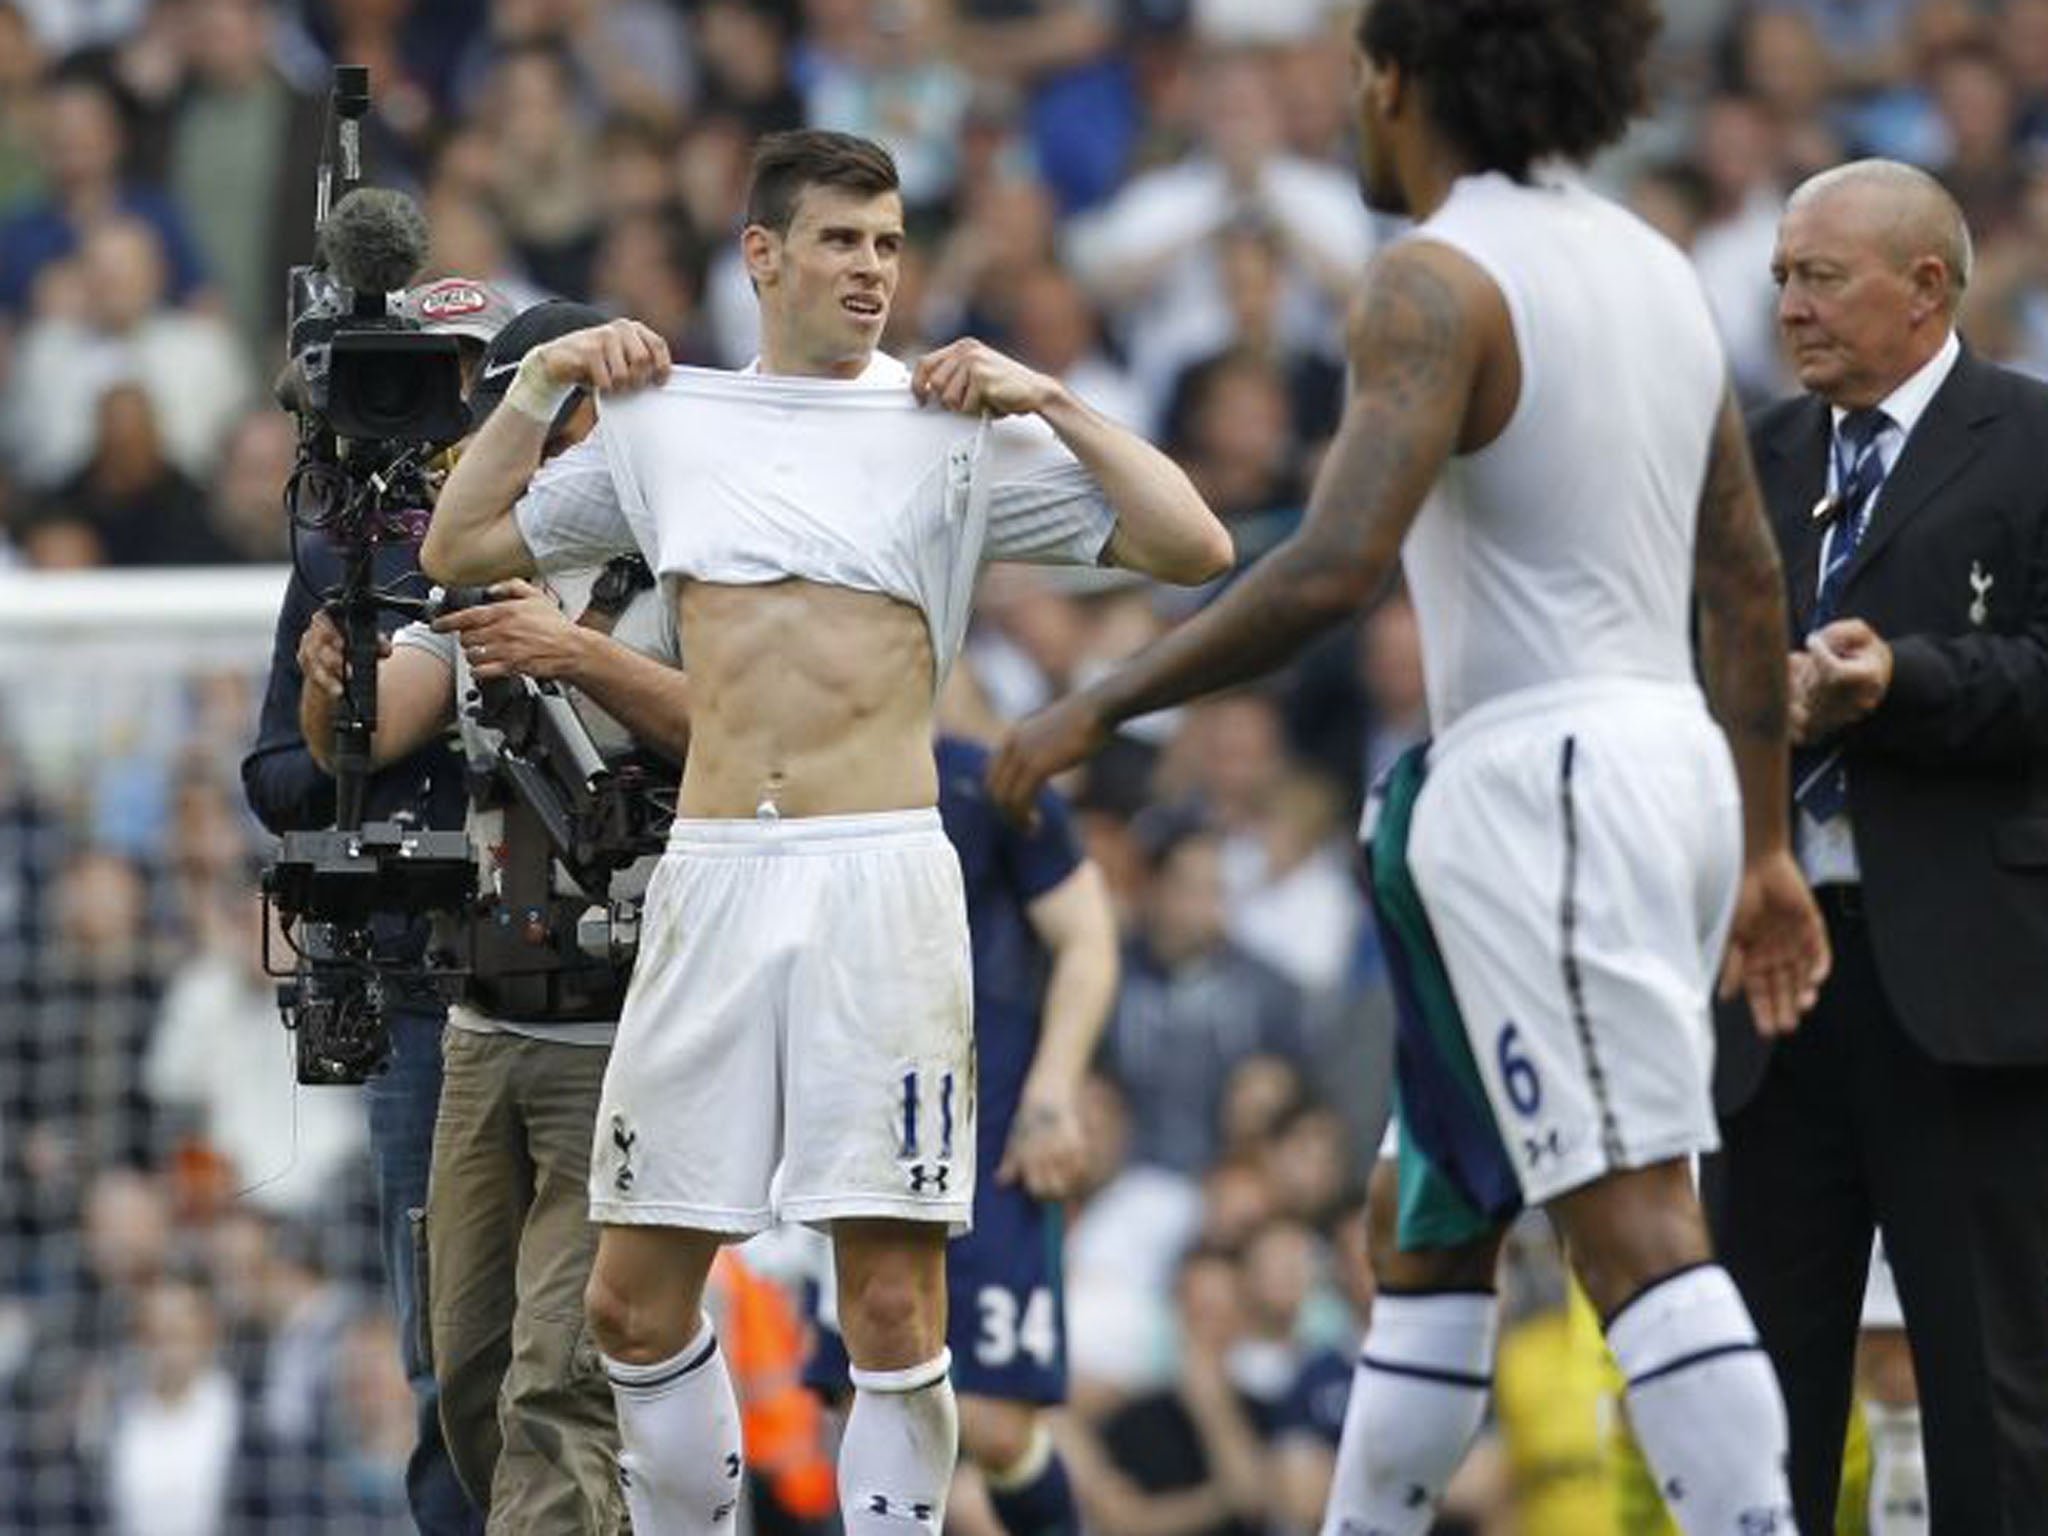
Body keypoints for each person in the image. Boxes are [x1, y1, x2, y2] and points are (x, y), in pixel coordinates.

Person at [988, 3, 1832, 1533]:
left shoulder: (1435, 277)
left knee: (1631, 1220)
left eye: (1363, 88)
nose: (1356, 119)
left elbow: (1330, 568)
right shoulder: (1649, 257)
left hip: (1553, 784)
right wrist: (1763, 846)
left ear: (1402, 85)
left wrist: (1098, 703)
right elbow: (1749, 577)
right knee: (1422, 1216)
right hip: (1633, 763)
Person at [419, 128, 1232, 1536]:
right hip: (720, 874)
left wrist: (1054, 396)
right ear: (764, 255)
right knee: (628, 1298)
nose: (873, 268)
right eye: (845, 240)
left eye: (891, 243)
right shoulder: (670, 423)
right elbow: (458, 546)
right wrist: (546, 377)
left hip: (880, 879)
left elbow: (1192, 544)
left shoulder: (949, 428)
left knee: (893, 1298)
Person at [298, 299, 689, 1533]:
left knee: (556, 1383)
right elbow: (365, 731)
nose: (515, 449)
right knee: (464, 1375)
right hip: (480, 1027)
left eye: (547, 416)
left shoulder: (691, 568)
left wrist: (578, 658)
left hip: (621, 1032)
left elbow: (746, 736)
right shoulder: (479, 581)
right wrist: (331, 687)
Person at [1711, 157, 2048, 1534]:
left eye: (1820, 277)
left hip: (1965, 989)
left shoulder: (2031, 441)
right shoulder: (1755, 457)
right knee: (1753, 1403)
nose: (1790, 306)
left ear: (1926, 288)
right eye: (1781, 276)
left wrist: (1901, 682)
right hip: (1771, 993)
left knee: (1989, 1389)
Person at [239, 282, 510, 1536]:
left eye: (464, 375)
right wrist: (329, 696)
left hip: (563, 973)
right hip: (413, 989)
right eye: (420, 373)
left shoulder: (573, 539)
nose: (437, 405)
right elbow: (278, 784)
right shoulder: (342, 553)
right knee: (440, 1344)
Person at [808, 721, 1120, 1536]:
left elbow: (1088, 938)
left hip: (988, 1131)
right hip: (861, 1122)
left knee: (991, 1422)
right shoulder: (811, 775)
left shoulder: (989, 781)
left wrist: (1052, 1091)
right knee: (866, 1398)